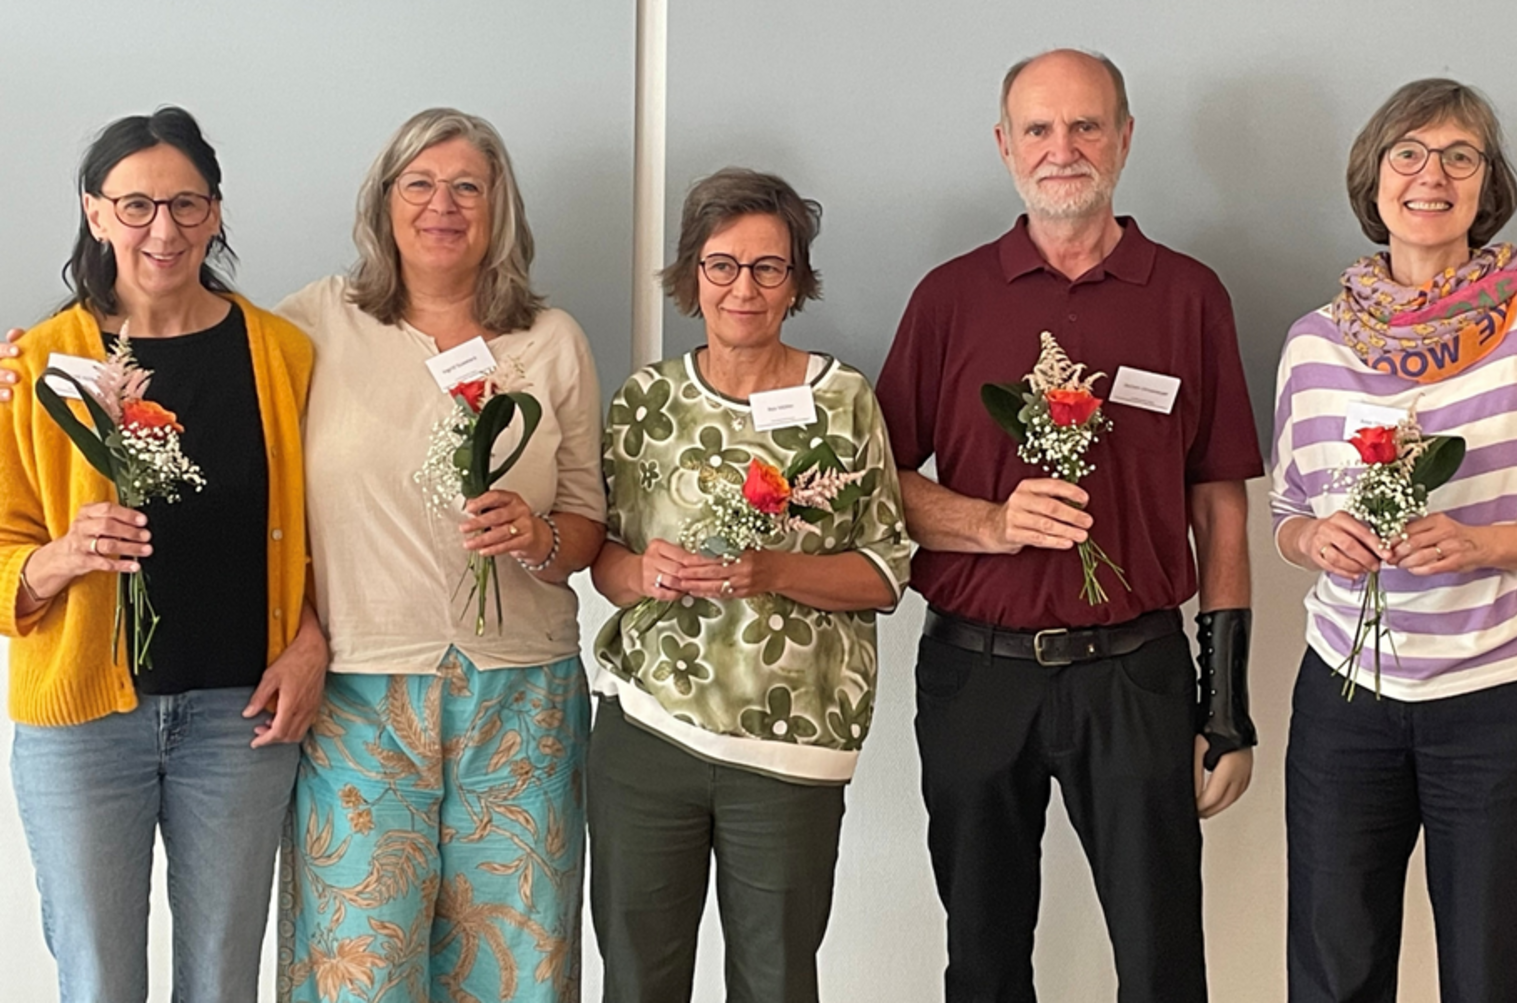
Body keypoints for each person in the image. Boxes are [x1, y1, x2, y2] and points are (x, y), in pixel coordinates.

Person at [875, 49, 1262, 1002]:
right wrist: (991, 522)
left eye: (1086, 125)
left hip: (1135, 674)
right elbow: (877, 484)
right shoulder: (949, 297)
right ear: (1004, 145)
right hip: (976, 673)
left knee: (1162, 961)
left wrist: (1225, 704)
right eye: (1039, 129)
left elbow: (1219, 504)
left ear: (1124, 139)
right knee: (983, 960)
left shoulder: (1190, 295)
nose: (1063, 148)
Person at [1269, 78, 1517, 1003]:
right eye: (1408, 154)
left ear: (1487, 183)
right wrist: (1315, 539)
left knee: (1502, 974)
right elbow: (1286, 512)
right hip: (1345, 700)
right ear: (1373, 178)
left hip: (1501, 704)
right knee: (1334, 973)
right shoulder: (1314, 343)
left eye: (1461, 156)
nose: (1432, 176)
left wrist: (1487, 545)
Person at [268, 109, 606, 1002]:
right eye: (418, 183)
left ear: (500, 209)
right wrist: (40, 362)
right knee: (360, 968)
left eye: (467, 187)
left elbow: (586, 524)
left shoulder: (551, 340)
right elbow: (193, 369)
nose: (441, 205)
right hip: (358, 696)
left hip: (521, 697)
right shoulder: (315, 323)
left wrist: (537, 538)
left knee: (516, 969)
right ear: (384, 202)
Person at [0, 107, 324, 1003]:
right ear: (95, 211)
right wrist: (61, 557)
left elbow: (326, 533)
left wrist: (311, 639)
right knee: (98, 980)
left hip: (240, 718)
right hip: (82, 726)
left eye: (186, 204)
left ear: (215, 212)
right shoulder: (38, 363)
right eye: (135, 205)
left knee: (222, 981)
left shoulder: (283, 355)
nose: (163, 229)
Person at [588, 167, 910, 1003]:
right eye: (723, 264)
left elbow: (884, 573)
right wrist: (642, 572)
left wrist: (773, 572)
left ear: (796, 281)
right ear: (692, 273)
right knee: (637, 981)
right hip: (647, 734)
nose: (744, 288)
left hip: (788, 751)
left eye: (769, 267)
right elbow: (604, 560)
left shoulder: (844, 399)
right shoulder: (645, 400)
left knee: (776, 984)